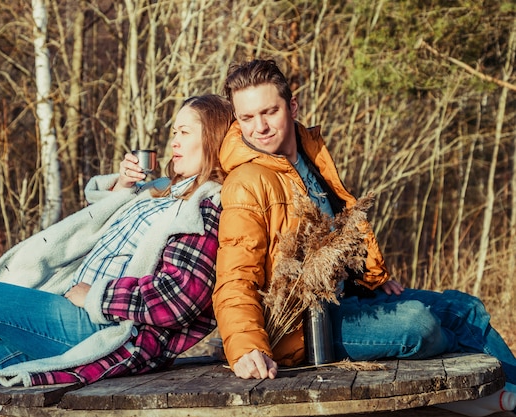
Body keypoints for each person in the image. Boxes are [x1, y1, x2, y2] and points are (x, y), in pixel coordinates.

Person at [0, 94, 235, 417]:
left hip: (107, 327)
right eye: (173, 131)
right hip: (71, 310)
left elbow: (179, 299)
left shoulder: (204, 207)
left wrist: (97, 295)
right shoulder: (163, 192)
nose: (174, 140)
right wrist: (125, 187)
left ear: (213, 139)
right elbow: (102, 225)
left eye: (185, 132)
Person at [211, 59, 516, 414]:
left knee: (466, 308)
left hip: (349, 299)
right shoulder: (247, 182)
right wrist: (245, 343)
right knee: (418, 324)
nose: (259, 127)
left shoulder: (312, 156)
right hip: (301, 329)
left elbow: (340, 227)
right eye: (246, 118)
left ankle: (512, 391)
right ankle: (490, 395)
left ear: (292, 107)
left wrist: (372, 277)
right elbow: (234, 275)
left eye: (269, 112)